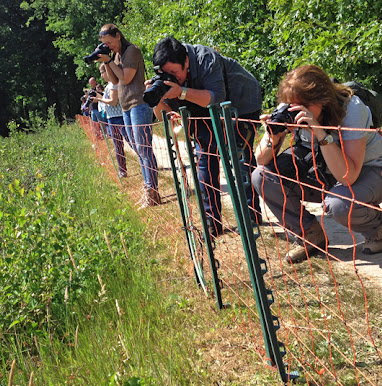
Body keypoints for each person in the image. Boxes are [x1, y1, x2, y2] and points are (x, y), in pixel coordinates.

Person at [252, 64, 382, 264]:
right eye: (292, 105)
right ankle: (310, 235)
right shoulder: (289, 106)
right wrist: (273, 135)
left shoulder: (352, 109)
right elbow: (260, 161)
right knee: (261, 176)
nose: (297, 111)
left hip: (369, 170)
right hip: (322, 167)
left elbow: (348, 176)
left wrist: (320, 133)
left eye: (304, 106)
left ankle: (376, 227)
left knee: (339, 204)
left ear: (324, 100)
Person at [151, 36, 263, 235]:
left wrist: (181, 92)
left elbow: (215, 96)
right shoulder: (171, 75)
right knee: (205, 158)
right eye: (166, 74)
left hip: (241, 102)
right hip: (203, 108)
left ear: (186, 61)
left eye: (174, 72)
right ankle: (212, 223)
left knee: (239, 157)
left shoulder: (205, 58)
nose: (171, 78)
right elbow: (163, 116)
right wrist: (156, 98)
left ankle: (251, 215)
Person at [97, 24, 160, 207]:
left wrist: (109, 61)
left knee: (144, 149)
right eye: (105, 44)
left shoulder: (132, 50)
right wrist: (106, 61)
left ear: (118, 35)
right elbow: (114, 80)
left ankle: (152, 192)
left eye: (110, 42)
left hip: (139, 104)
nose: (109, 46)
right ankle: (149, 190)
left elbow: (126, 78)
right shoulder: (116, 55)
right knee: (138, 150)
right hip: (126, 107)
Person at [95, 62, 127, 177]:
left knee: (131, 143)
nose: (101, 76)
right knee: (118, 146)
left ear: (107, 71)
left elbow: (113, 102)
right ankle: (122, 170)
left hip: (119, 118)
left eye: (102, 73)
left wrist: (99, 99)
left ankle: (144, 164)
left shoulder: (114, 83)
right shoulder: (109, 85)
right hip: (112, 119)